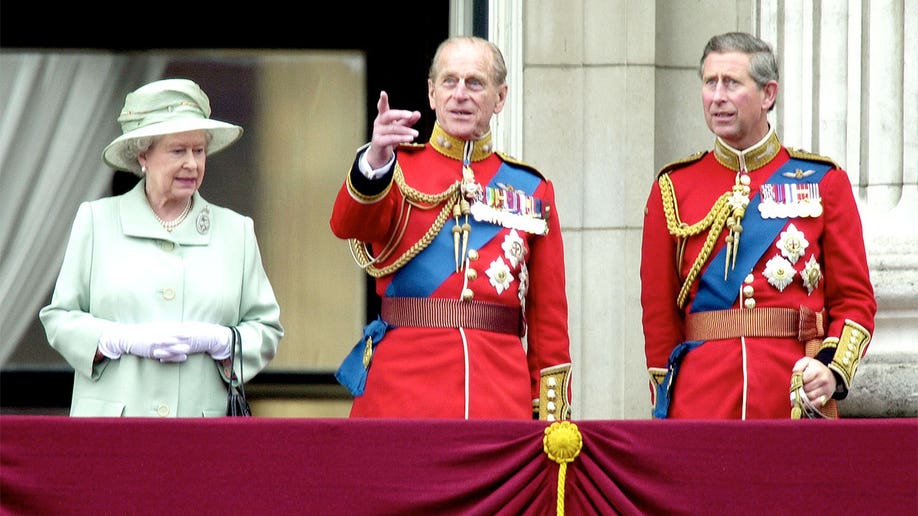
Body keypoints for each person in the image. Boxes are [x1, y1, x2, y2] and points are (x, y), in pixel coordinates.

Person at [330, 36, 572, 420]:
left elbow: (549, 324)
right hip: (400, 399)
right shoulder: (396, 170)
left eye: (475, 83)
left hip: (497, 401)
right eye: (449, 81)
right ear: (431, 93)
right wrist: (374, 160)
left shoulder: (531, 189)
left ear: (500, 97)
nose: (460, 94)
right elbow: (347, 224)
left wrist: (551, 420)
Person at [640, 32, 876, 419]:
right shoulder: (673, 188)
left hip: (794, 396)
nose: (717, 96)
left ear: (768, 94)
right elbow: (659, 316)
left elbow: (855, 300)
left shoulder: (823, 182)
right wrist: (669, 398)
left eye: (731, 83)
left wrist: (832, 369)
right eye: (709, 83)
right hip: (701, 402)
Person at [39, 78, 284, 417]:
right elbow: (59, 319)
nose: (192, 164)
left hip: (201, 432)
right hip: (112, 432)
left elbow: (266, 328)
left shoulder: (236, 231)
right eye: (178, 150)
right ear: (143, 154)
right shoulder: (96, 221)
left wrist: (222, 341)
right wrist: (115, 339)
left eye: (199, 151)